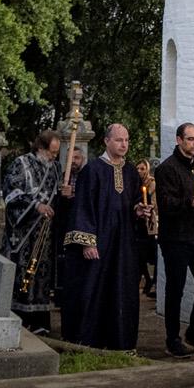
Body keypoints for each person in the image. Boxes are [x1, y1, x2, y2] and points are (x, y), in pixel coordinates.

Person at [55, 120, 148, 352]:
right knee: (94, 289)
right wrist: (87, 242)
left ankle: (119, 342)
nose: (124, 144)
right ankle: (88, 342)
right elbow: (83, 207)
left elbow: (134, 202)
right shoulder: (92, 170)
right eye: (118, 140)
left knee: (121, 289)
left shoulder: (130, 172)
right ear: (107, 142)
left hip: (123, 243)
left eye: (126, 140)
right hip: (99, 243)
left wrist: (139, 210)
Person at [153, 122, 194, 357]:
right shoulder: (167, 169)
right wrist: (189, 202)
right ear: (179, 140)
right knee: (175, 289)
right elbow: (165, 203)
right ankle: (172, 339)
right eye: (191, 139)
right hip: (175, 239)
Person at [0, 127, 64, 318]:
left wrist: (65, 194)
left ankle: (39, 322)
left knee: (42, 277)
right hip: (23, 233)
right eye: (52, 152)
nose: (54, 156)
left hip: (45, 233)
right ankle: (18, 317)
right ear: (40, 148)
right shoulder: (21, 164)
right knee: (22, 275)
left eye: (57, 152)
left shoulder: (56, 168)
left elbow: (57, 196)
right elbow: (12, 193)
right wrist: (36, 206)